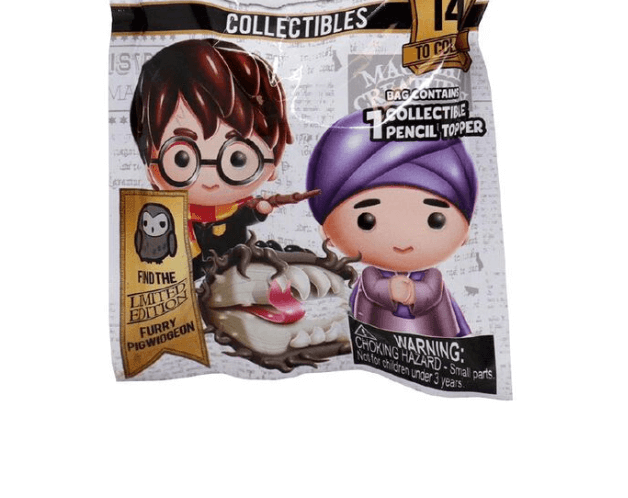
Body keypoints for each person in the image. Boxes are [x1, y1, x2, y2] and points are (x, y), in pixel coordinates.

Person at [130, 38, 293, 277]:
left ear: (272, 164)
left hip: (237, 267)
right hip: (188, 272)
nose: (209, 179)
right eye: (182, 159)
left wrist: (262, 208)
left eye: (237, 158)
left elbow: (249, 214)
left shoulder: (236, 210)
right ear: (151, 168)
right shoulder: (168, 217)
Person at [306, 111, 476, 337]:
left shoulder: (433, 277)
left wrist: (413, 293)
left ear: (465, 232)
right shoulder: (370, 275)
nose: (403, 237)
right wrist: (389, 290)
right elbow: (373, 289)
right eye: (366, 221)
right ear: (327, 233)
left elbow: (431, 294)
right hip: (379, 338)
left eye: (435, 220)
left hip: (432, 338)